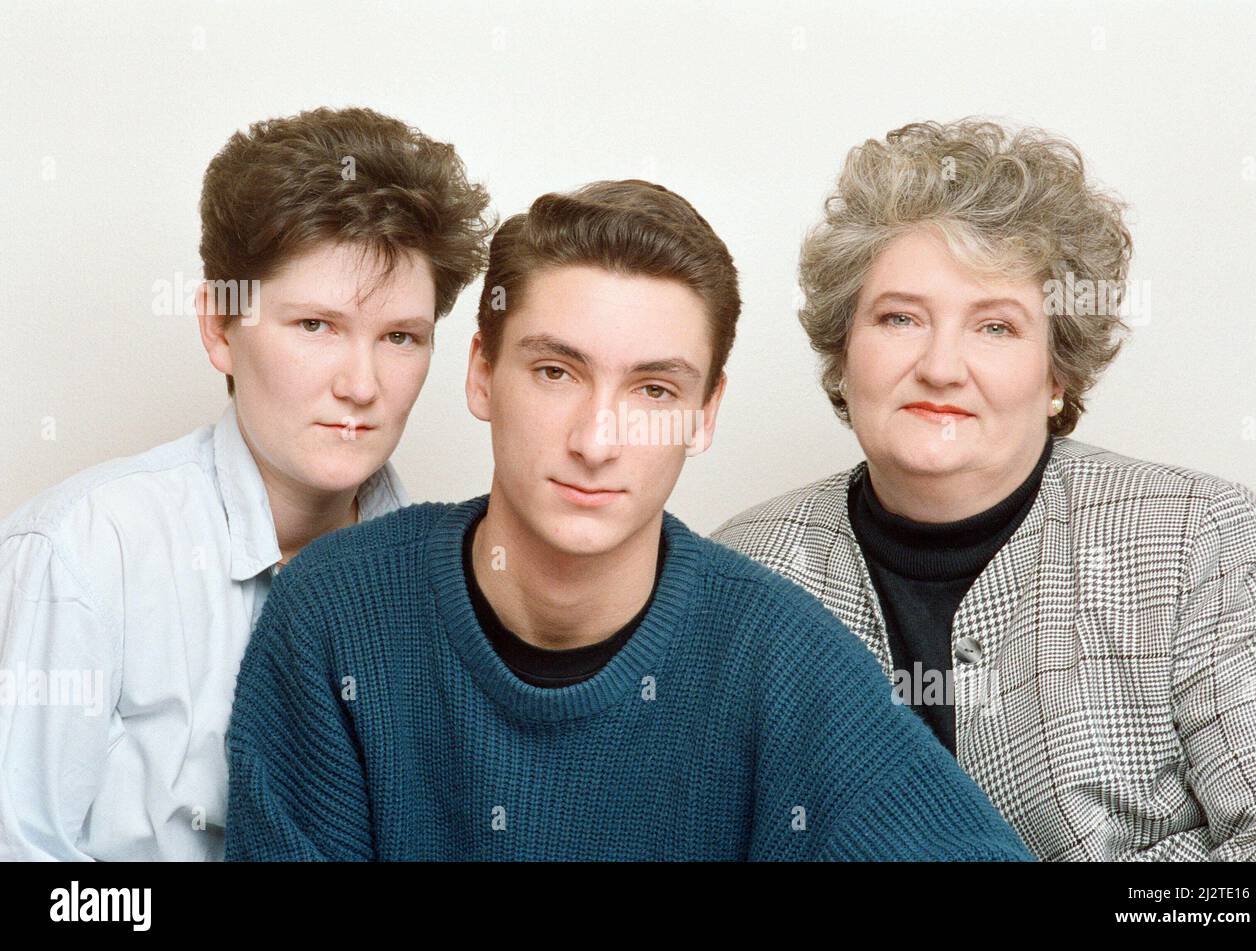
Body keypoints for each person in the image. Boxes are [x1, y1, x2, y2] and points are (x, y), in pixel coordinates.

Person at [224, 179, 1032, 862]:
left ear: (704, 414)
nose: (596, 440)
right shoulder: (334, 614)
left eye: (654, 390)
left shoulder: (783, 657)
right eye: (554, 371)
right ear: (481, 373)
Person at [712, 119, 1256, 861]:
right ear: (843, 352)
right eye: (900, 318)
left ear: (1057, 376)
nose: (941, 366)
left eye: (995, 327)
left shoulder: (1199, 537)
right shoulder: (740, 571)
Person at [0, 106, 492, 860]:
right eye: (315, 326)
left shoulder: (458, 568)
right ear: (219, 329)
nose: (361, 385)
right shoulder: (83, 553)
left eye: (400, 337)